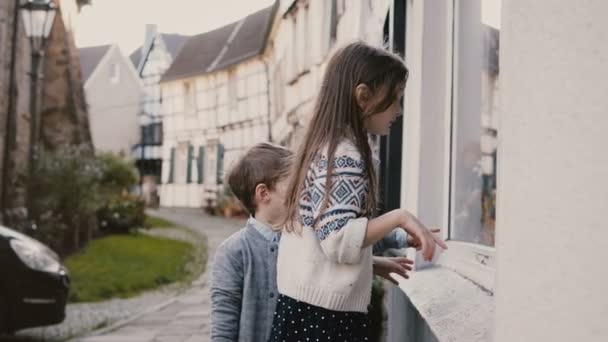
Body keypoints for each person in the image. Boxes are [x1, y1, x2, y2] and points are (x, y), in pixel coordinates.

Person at [270, 42, 448, 341]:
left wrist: (376, 258)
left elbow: (324, 231)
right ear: (363, 96)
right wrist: (399, 218)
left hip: (303, 309)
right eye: (394, 99)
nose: (399, 110)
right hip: (325, 320)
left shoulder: (325, 147)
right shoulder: (345, 156)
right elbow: (339, 241)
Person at [210, 143, 412, 342]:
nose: (306, 192)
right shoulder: (233, 252)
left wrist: (402, 238)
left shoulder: (305, 232)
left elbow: (348, 241)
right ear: (263, 193)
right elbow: (224, 324)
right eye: (297, 185)